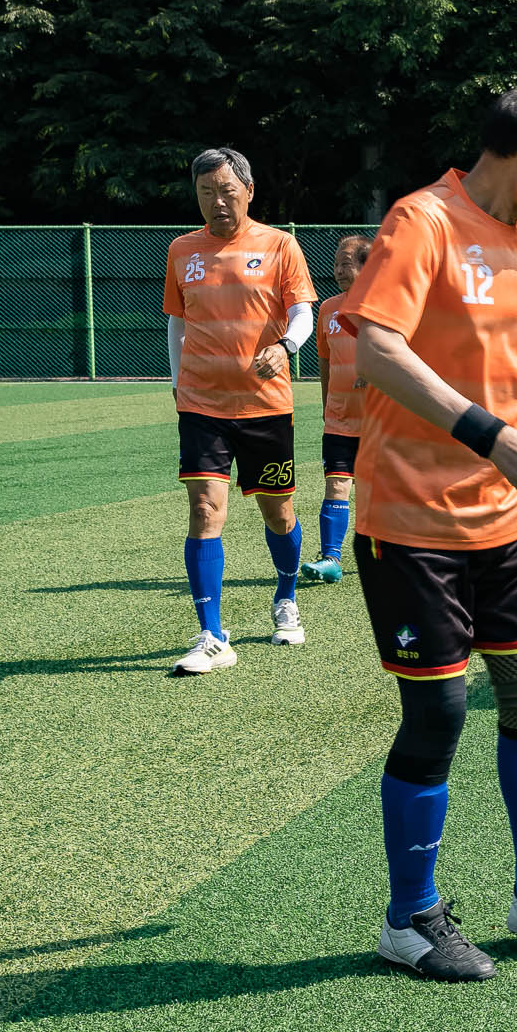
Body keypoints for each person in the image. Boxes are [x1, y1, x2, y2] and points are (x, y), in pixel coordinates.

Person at [341, 79, 517, 981]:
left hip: (507, 520)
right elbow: (376, 348)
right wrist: (490, 435)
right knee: (441, 710)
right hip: (413, 521)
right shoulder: (423, 221)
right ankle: (409, 919)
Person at [164, 148, 317, 673]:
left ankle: (286, 595)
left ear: (249, 191)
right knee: (204, 509)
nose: (217, 202)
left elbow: (302, 312)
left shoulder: (280, 245)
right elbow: (178, 322)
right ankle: (211, 635)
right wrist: (175, 379)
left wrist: (286, 346)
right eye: (206, 192)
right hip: (202, 404)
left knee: (278, 512)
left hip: (266, 406)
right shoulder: (182, 249)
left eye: (226, 192)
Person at [301, 234, 372, 583]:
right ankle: (330, 558)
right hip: (340, 420)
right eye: (336, 263)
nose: (339, 270)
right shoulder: (328, 309)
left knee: (380, 493)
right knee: (336, 485)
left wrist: (375, 373)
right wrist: (327, 406)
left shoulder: (385, 306)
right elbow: (325, 363)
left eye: (346, 262)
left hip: (380, 420)